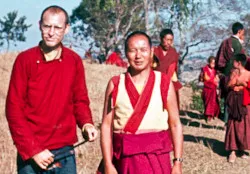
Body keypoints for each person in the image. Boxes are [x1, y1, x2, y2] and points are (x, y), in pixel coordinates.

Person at [5, 5, 98, 174]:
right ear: (40, 25)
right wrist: (33, 150)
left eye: (57, 28)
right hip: (32, 153)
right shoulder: (25, 60)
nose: (51, 32)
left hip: (64, 151)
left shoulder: (73, 60)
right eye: (47, 26)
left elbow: (80, 100)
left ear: (67, 29)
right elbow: (13, 109)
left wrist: (86, 124)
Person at [99, 31, 183, 174]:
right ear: (126, 53)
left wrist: (177, 162)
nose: (138, 56)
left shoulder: (164, 83)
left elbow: (175, 124)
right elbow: (106, 126)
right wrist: (108, 163)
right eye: (132, 50)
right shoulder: (116, 83)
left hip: (158, 159)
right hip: (126, 160)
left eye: (143, 50)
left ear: (151, 52)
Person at [215, 22, 245, 125]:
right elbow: (242, 61)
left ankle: (225, 120)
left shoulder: (224, 42)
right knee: (233, 99)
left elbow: (219, 60)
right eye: (243, 33)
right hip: (235, 76)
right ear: (239, 31)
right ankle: (229, 122)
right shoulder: (237, 45)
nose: (243, 36)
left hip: (225, 75)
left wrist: (221, 72)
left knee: (227, 98)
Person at [224, 53, 250, 163]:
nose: (232, 63)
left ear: (238, 63)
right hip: (234, 101)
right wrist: (235, 80)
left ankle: (242, 150)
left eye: (234, 61)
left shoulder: (249, 74)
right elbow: (228, 85)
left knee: (244, 126)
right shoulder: (232, 73)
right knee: (233, 125)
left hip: (244, 102)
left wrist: (243, 84)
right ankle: (233, 151)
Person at [153, 29, 182, 108]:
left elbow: (173, 70)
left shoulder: (173, 53)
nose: (169, 42)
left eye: (171, 40)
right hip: (155, 83)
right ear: (161, 39)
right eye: (167, 40)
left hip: (170, 83)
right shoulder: (154, 51)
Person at [199, 56, 220, 122]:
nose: (213, 65)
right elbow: (205, 78)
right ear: (209, 62)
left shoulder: (215, 70)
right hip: (207, 88)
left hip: (213, 88)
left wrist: (216, 81)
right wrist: (213, 81)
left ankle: (212, 115)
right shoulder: (205, 69)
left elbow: (217, 79)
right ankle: (208, 116)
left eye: (214, 63)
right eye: (212, 63)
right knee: (207, 102)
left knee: (214, 102)